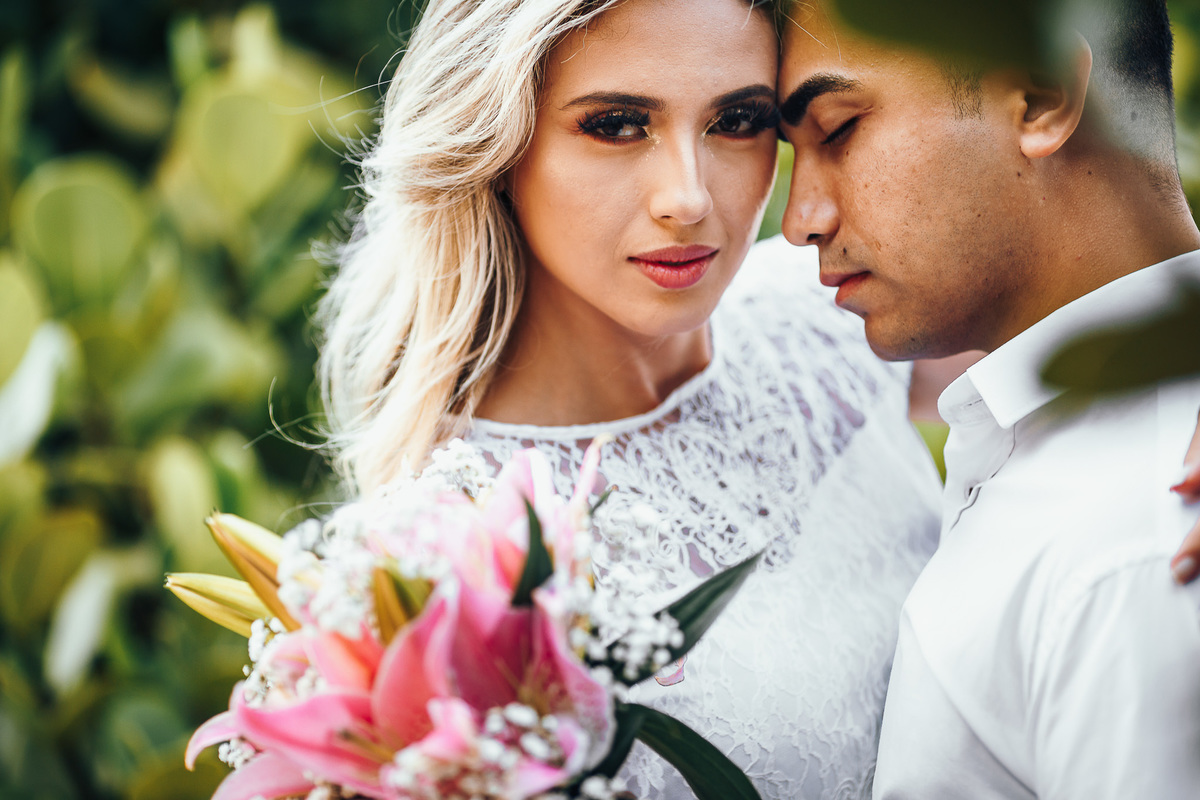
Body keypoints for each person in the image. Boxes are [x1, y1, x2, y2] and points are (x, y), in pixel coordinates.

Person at [317, 0, 944, 796]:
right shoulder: (438, 553)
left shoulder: (823, 315)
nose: (687, 197)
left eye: (739, 120)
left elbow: (1080, 362)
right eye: (616, 125)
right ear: (498, 140)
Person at [775, 0, 1200, 796]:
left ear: (1041, 96)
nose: (802, 218)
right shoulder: (1066, 467)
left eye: (837, 129)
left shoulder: (1136, 544)